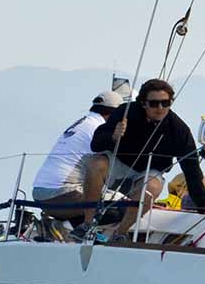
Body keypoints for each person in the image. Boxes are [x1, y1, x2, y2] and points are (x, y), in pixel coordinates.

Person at [79, 78, 205, 240]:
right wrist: (113, 137)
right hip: (119, 164)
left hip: (148, 172)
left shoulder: (178, 130)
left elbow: (191, 170)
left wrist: (204, 207)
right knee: (96, 163)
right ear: (143, 103)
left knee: (152, 188)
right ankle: (87, 225)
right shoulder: (126, 112)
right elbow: (96, 144)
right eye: (154, 103)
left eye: (165, 103)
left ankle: (120, 234)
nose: (160, 108)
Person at [31, 80, 131, 222]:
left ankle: (64, 229)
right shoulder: (100, 130)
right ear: (115, 114)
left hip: (39, 192)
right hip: (62, 194)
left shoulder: (84, 122)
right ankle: (76, 233)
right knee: (125, 207)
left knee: (98, 193)